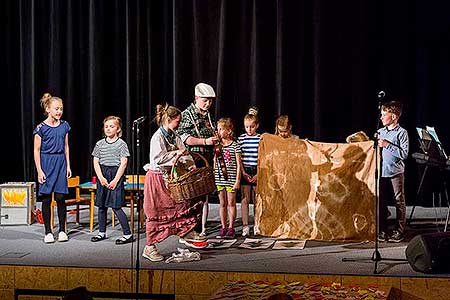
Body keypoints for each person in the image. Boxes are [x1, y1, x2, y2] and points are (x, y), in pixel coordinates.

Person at [142, 104, 207, 262]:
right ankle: (149, 246)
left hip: (172, 177)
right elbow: (158, 158)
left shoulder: (174, 135)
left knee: (183, 203)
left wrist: (189, 164)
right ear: (169, 120)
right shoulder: (157, 137)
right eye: (177, 121)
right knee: (157, 212)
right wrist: (176, 153)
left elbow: (183, 152)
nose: (179, 124)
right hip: (158, 178)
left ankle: (186, 231)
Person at [177, 83, 219, 237]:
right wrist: (205, 141)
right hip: (194, 158)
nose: (208, 103)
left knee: (204, 195)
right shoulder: (187, 114)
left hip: (207, 158)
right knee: (193, 195)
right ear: (196, 98)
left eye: (210, 101)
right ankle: (190, 227)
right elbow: (184, 137)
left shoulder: (208, 114)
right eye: (204, 100)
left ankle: (202, 227)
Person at [33, 93, 71, 243]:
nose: (59, 111)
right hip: (46, 163)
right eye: (56, 109)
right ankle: (48, 232)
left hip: (60, 161)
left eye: (61, 109)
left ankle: (62, 230)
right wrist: (39, 170)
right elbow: (36, 150)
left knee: (61, 197)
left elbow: (66, 146)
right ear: (48, 109)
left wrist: (68, 165)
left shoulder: (64, 126)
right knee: (47, 199)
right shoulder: (41, 128)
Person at [91, 116, 133, 245]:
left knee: (116, 206)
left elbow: (124, 163)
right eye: (106, 126)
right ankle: (101, 232)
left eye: (112, 126)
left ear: (118, 129)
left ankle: (127, 234)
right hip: (103, 175)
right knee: (102, 206)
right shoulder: (99, 144)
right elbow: (96, 161)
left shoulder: (121, 144)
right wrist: (101, 177)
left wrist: (115, 180)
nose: (109, 129)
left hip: (116, 175)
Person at [377, 101, 409, 243]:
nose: (381, 117)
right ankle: (383, 229)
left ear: (394, 117)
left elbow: (404, 154)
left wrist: (387, 145)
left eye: (384, 115)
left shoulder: (402, 133)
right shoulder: (380, 132)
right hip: (381, 172)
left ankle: (399, 230)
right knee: (381, 201)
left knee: (399, 201)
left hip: (396, 172)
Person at [214, 118, 242, 238]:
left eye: (221, 129)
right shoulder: (217, 146)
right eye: (218, 129)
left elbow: (239, 165)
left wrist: (237, 180)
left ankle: (231, 227)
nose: (219, 131)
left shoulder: (235, 146)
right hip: (220, 179)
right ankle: (223, 226)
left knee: (231, 202)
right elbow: (215, 161)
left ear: (229, 130)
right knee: (222, 203)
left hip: (231, 178)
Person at [238, 107, 261, 237]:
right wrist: (243, 172)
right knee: (245, 198)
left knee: (256, 199)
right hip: (245, 170)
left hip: (257, 169)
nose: (249, 130)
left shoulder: (260, 139)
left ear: (257, 125)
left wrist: (258, 173)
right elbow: (239, 158)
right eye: (247, 127)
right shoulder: (241, 139)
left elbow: (262, 157)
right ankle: (246, 225)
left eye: (252, 127)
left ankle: (257, 224)